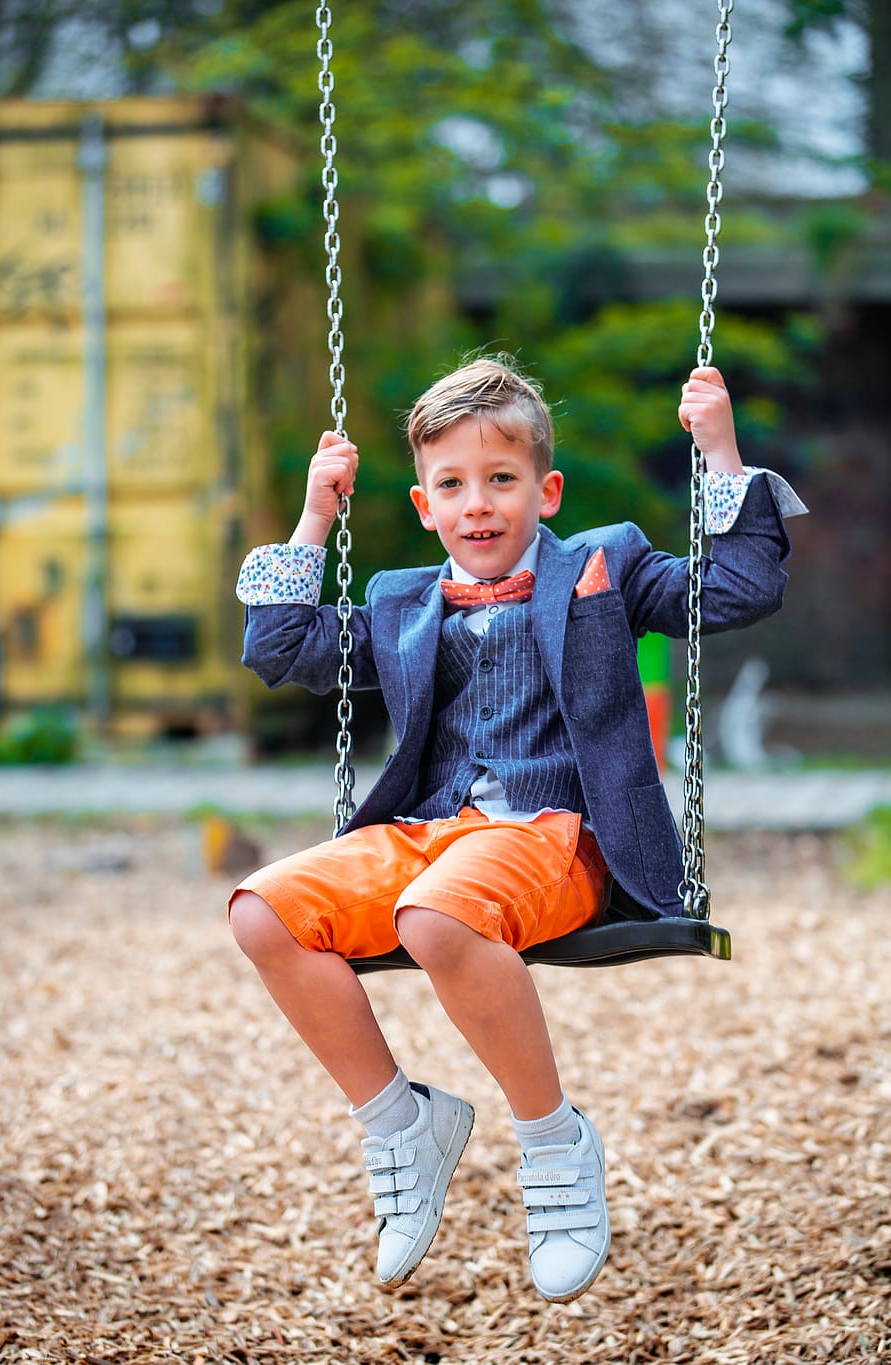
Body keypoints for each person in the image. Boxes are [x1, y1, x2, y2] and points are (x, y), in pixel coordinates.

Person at [228, 355, 806, 1303]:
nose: (478, 505)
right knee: (262, 913)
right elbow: (280, 646)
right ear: (423, 505)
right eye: (452, 485)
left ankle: (553, 1143)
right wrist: (316, 517)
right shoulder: (400, 601)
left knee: (437, 919)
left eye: (501, 480)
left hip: (552, 833)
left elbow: (735, 594)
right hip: (430, 829)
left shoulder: (602, 565)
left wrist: (719, 452)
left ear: (548, 490)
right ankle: (401, 1122)